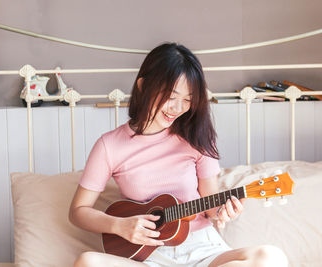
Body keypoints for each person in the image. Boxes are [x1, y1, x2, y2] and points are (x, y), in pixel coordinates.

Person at [69, 43, 288, 267]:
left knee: (272, 257)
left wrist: (222, 211)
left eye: (188, 99)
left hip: (204, 251)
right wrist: (118, 226)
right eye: (171, 96)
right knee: (87, 262)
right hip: (150, 257)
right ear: (143, 86)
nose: (178, 108)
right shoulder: (109, 145)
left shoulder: (196, 136)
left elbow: (209, 201)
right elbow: (78, 211)